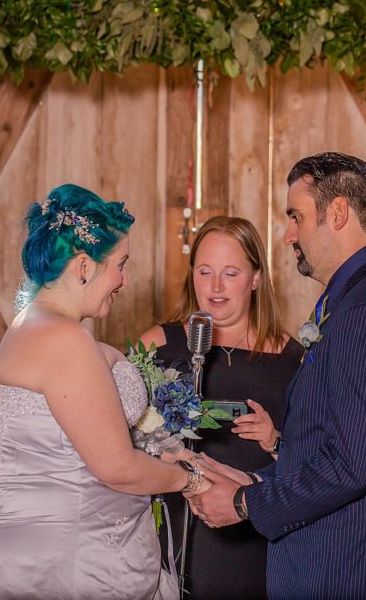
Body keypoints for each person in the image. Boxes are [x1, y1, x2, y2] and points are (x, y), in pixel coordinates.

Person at [189, 153, 366, 599]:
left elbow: (350, 465)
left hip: (358, 571)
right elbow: (340, 442)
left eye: (296, 216)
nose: (289, 234)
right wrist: (256, 480)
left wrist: (243, 503)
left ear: (336, 213)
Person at [0, 184, 209, 600]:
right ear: (84, 266)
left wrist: (162, 449)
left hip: (37, 553)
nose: (125, 280)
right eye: (121, 265)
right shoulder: (66, 340)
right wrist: (189, 481)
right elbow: (116, 467)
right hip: (63, 567)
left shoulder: (28, 324)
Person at [137, 216, 304, 599]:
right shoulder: (159, 344)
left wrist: (275, 440)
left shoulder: (293, 361)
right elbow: (113, 436)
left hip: (256, 548)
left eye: (230, 273)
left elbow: (317, 467)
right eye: (204, 271)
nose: (214, 287)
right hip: (171, 538)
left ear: (256, 278)